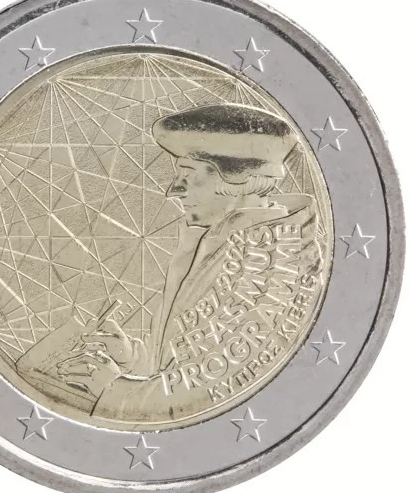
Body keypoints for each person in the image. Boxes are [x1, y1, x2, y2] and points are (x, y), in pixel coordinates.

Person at [43, 104, 323, 423]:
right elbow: (203, 357)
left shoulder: (274, 263)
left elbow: (229, 384)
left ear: (235, 177)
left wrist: (115, 391)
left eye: (187, 174)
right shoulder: (224, 241)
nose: (173, 190)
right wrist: (134, 360)